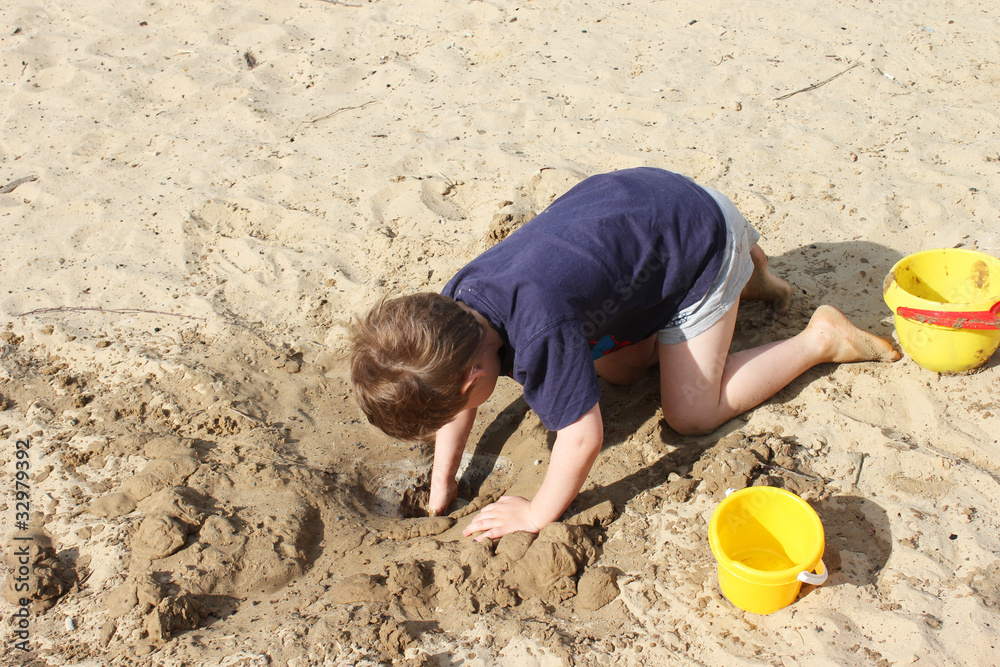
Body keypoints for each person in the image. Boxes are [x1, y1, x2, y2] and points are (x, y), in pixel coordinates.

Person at [349, 167, 898, 541]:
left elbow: (582, 435)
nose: (459, 416)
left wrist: (537, 513)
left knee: (690, 413)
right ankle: (751, 276)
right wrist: (442, 485)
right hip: (645, 199)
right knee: (620, 369)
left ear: (473, 373)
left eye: (456, 407)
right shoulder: (452, 312)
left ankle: (819, 338)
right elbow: (461, 396)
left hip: (698, 238)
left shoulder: (539, 330)